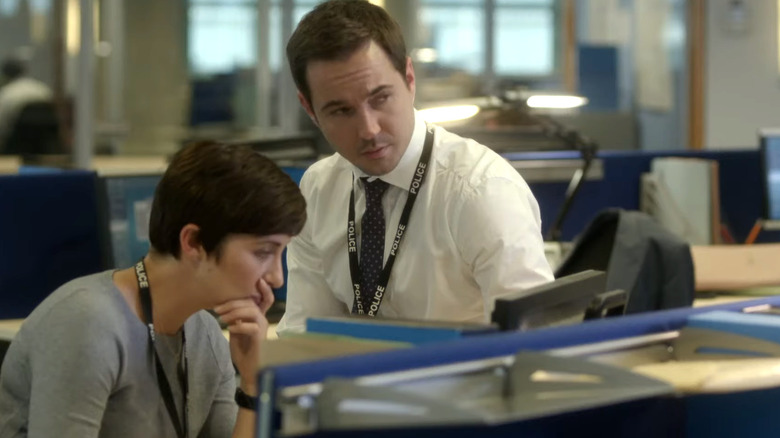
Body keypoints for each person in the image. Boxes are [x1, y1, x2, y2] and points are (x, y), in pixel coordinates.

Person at [277, 0, 553, 334]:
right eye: (340, 111)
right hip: (351, 382)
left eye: (380, 99)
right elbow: (306, 336)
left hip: (466, 382)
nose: (369, 130)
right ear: (309, 109)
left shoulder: (479, 190)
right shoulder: (318, 190)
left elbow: (534, 341)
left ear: (409, 79)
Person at [0, 141, 307, 437]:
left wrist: (252, 382)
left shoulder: (205, 335)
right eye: (263, 252)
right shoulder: (88, 324)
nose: (277, 279)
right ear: (194, 243)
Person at [0, 57, 53, 151]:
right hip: (47, 148)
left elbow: (2, 126)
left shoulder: (6, 93)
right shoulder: (43, 89)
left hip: (15, 148)